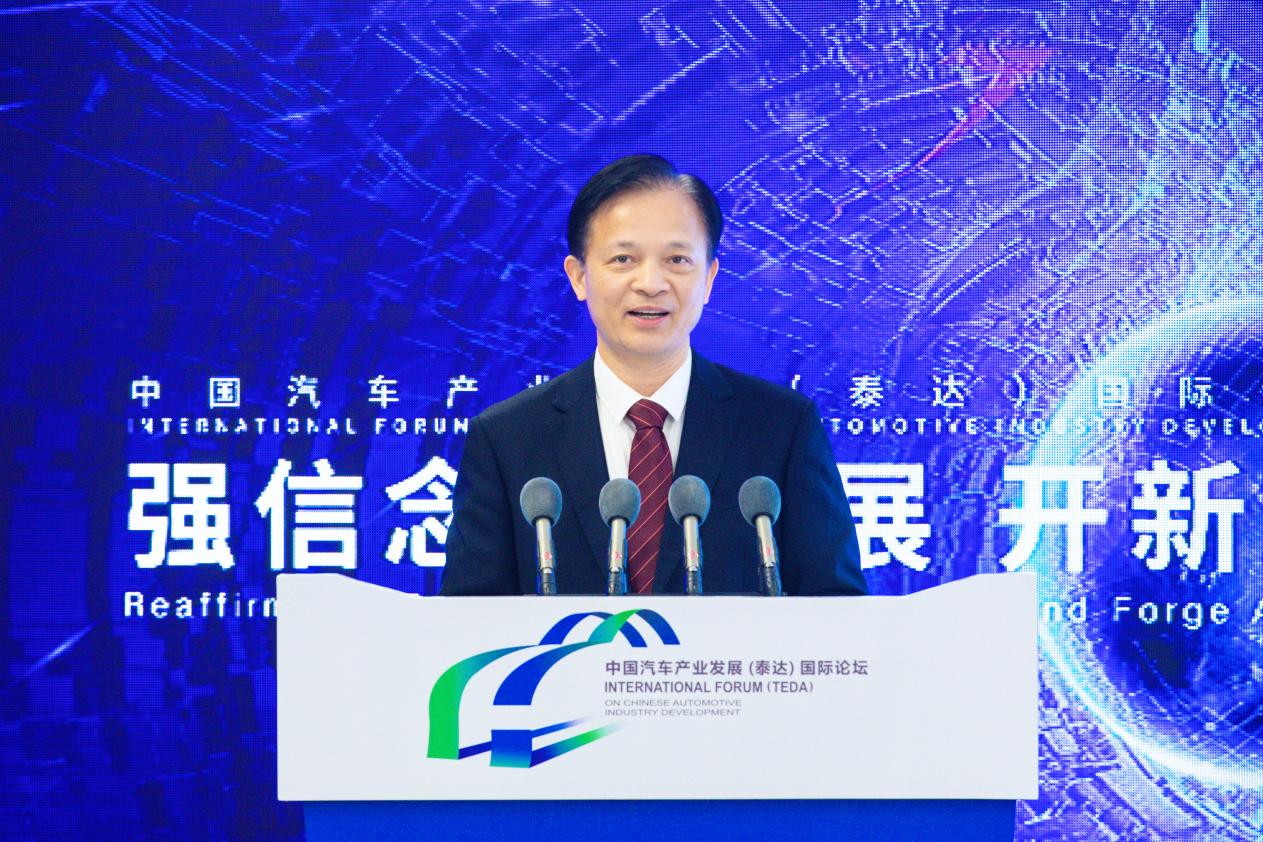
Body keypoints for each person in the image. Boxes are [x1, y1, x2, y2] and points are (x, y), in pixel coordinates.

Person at [440, 154, 866, 596]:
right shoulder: (507, 438)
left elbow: (836, 607)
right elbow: (469, 618)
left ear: (709, 278)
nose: (651, 283)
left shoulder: (781, 428)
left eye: (677, 260)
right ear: (578, 276)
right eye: (623, 258)